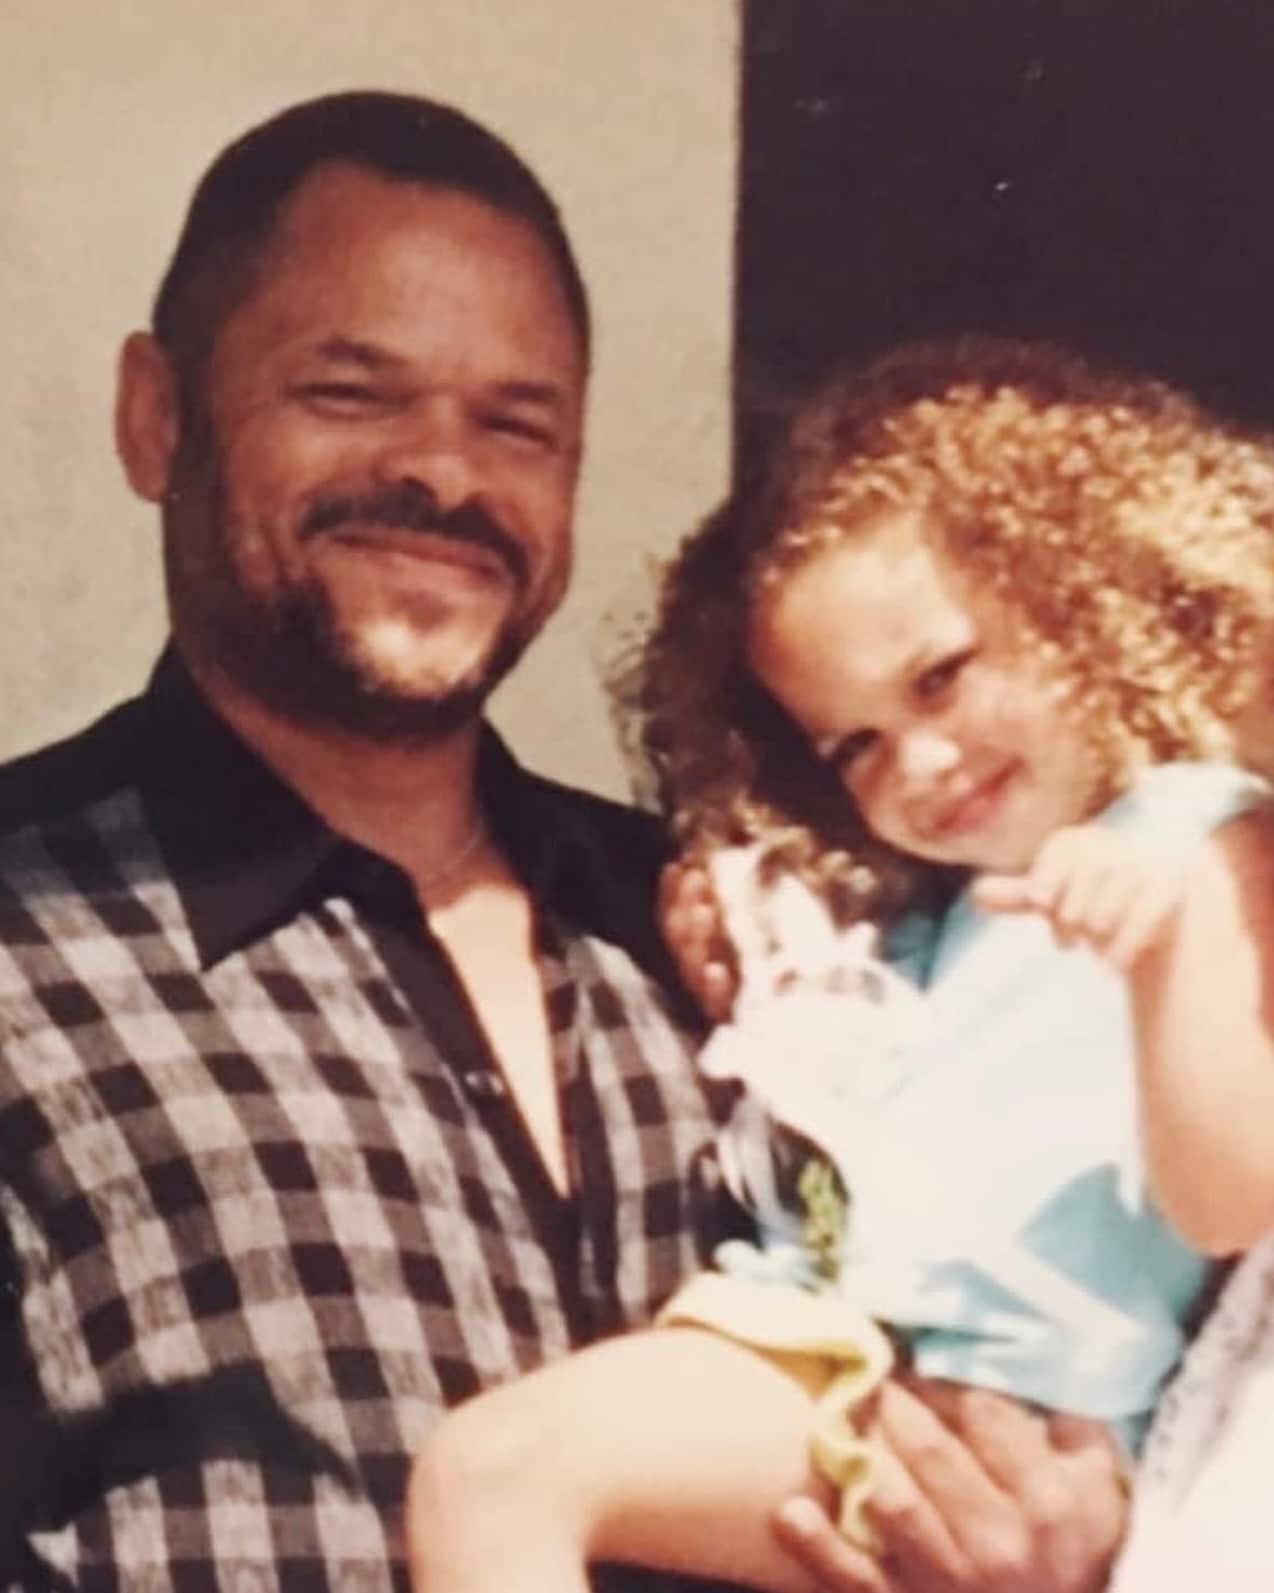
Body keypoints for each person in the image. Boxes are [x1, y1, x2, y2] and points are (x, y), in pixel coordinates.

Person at [0, 95, 1126, 1590]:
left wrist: (1051, 1538)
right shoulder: (27, 940)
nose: (447, 476)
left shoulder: (742, 946)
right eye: (353, 394)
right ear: (160, 417)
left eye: (515, 421)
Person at [406, 336, 1274, 1593]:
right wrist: (759, 974)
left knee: (497, 1474)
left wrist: (1161, 956)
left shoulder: (1193, 835)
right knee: (498, 1474)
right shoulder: (943, 914)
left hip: (1013, 1407)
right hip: (850, 1351)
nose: (920, 764)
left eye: (941, 678)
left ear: (1070, 596)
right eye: (855, 744)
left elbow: (1230, 1196)